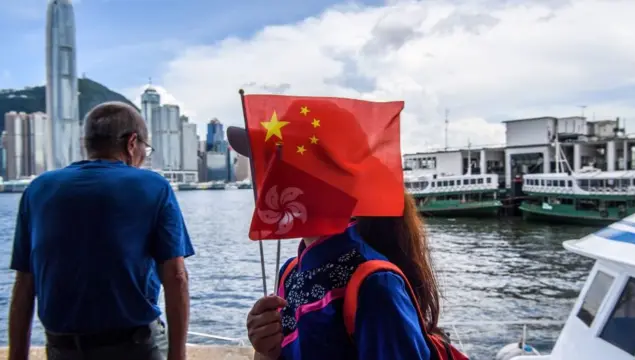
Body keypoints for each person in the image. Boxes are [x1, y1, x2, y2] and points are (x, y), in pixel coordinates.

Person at [227, 126, 443, 360]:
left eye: (272, 161)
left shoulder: (376, 285)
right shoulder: (289, 273)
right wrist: (265, 349)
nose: (258, 176)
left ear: (318, 178)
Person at [8, 101, 194, 360]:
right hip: (136, 348)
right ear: (132, 143)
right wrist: (178, 356)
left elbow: (24, 285)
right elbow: (176, 277)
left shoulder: (38, 190)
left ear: (88, 143)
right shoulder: (154, 187)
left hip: (63, 349)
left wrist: (17, 356)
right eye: (145, 149)